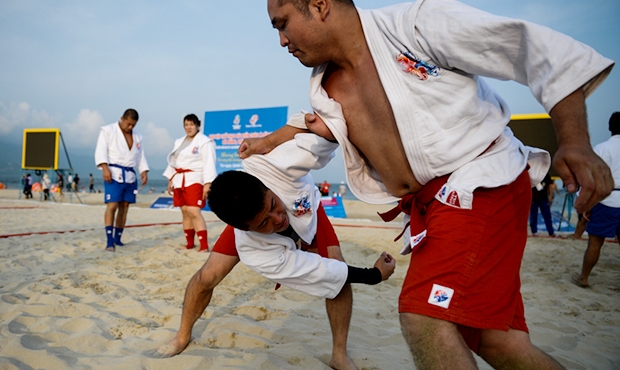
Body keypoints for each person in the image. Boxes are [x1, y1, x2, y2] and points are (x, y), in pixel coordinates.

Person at [236, 1, 615, 368]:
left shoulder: (415, 25)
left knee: (425, 317)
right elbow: (315, 126)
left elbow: (532, 48)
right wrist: (269, 142)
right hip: (430, 207)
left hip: (479, 181)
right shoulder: (322, 87)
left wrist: (575, 140)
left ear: (319, 6)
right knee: (496, 340)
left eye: (282, 23)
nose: (282, 41)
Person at [157, 131, 395, 370]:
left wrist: (269, 141)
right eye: (265, 222)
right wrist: (373, 275)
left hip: (307, 211)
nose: (279, 219)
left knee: (338, 267)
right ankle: (182, 335)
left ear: (265, 185)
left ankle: (339, 354)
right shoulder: (252, 248)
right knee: (207, 276)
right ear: (242, 228)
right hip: (257, 232)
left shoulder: (272, 164)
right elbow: (318, 270)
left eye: (273, 205)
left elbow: (316, 128)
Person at [572, 112, 620, 288]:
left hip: (606, 199)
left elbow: (590, 178)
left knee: (595, 243)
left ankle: (584, 277)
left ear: (609, 127)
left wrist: (584, 202)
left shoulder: (602, 148)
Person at [94, 108, 149, 251]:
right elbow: (101, 151)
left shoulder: (137, 137)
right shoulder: (108, 130)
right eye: (128, 124)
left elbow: (140, 156)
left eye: (133, 125)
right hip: (113, 172)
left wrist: (143, 171)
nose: (130, 127)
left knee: (125, 206)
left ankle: (118, 238)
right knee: (112, 206)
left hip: (130, 174)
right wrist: (105, 168)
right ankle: (109, 240)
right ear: (122, 119)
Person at [163, 114, 217, 251]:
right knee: (185, 211)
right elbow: (174, 161)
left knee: (194, 210)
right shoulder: (179, 141)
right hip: (179, 179)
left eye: (191, 124)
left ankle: (204, 245)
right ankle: (190, 243)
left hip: (195, 179)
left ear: (197, 125)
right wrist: (171, 178)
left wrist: (208, 183)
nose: (189, 127)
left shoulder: (205, 142)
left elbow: (209, 163)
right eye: (186, 125)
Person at [529, 173, 558, 237]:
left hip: (543, 198)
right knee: (533, 215)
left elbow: (550, 185)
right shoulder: (531, 175)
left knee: (547, 215)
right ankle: (534, 231)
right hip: (533, 198)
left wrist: (550, 196)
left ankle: (551, 232)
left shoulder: (545, 174)